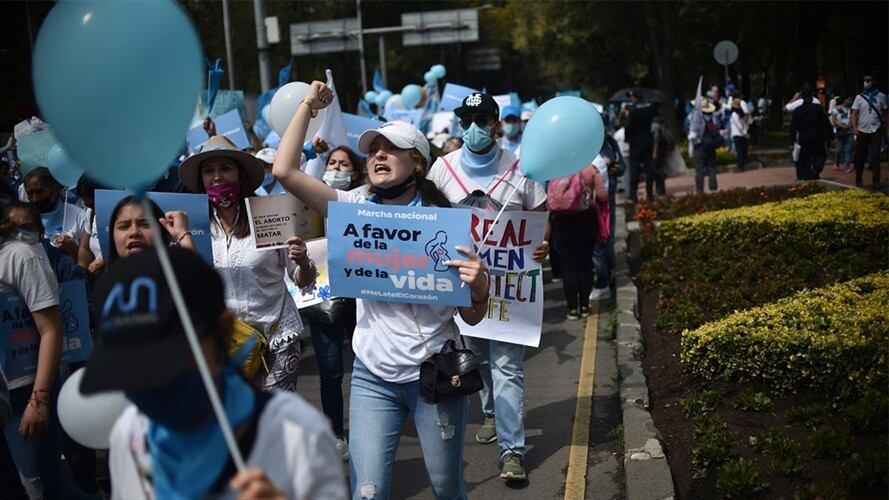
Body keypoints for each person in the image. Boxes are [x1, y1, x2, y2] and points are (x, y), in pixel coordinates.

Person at [272, 81, 490, 499]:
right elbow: (284, 171)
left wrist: (479, 285)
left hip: (435, 374)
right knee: (367, 493)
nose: (378, 156)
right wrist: (308, 105)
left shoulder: (445, 224)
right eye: (372, 150)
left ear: (419, 163)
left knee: (446, 487)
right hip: (373, 377)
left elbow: (473, 315)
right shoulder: (352, 206)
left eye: (390, 149)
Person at [81, 248, 348, 499]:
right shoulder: (130, 434)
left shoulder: (296, 434)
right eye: (129, 367)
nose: (151, 385)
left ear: (223, 332)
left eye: (169, 362)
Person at [426, 92, 549, 482]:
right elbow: (427, 222)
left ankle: (512, 451)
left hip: (509, 289)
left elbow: (539, 218)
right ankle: (492, 413)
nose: (474, 128)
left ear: (496, 124)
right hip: (462, 289)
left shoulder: (521, 169)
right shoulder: (442, 170)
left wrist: (543, 245)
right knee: (475, 359)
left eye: (482, 119)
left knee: (508, 368)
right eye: (467, 120)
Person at [178, 135, 316, 392]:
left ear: (239, 175)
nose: (216, 176)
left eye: (225, 168)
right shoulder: (194, 226)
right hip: (226, 342)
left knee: (272, 421)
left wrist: (304, 262)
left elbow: (301, 279)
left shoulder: (270, 213)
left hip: (277, 337)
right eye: (208, 171)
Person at [0, 210, 90, 499]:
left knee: (40, 488)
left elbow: (51, 330)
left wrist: (39, 400)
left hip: (23, 394)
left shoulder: (21, 256)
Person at [307, 144, 365, 460]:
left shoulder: (361, 202)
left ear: (354, 173)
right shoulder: (307, 205)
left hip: (359, 294)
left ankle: (368, 424)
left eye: (344, 165)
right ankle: (335, 434)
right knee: (330, 371)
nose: (337, 168)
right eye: (332, 162)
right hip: (323, 295)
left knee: (365, 364)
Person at [549, 163, 607, 319]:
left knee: (568, 265)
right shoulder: (590, 169)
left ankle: (572, 308)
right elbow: (602, 195)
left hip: (562, 221)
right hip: (585, 219)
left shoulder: (554, 168)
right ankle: (584, 306)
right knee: (585, 264)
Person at [22, 167, 92, 267]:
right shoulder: (23, 219)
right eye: (29, 193)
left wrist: (72, 248)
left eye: (39, 192)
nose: (35, 199)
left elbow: (88, 260)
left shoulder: (78, 215)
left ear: (55, 189)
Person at [106, 196, 194, 263]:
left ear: (161, 232)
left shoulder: (176, 279)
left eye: (145, 224)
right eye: (124, 226)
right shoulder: (105, 282)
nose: (134, 232)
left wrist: (182, 233)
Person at [850, 74, 887, 189]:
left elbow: (886, 113)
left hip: (876, 129)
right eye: (865, 80)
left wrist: (887, 128)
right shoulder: (859, 97)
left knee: (875, 157)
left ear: (874, 82)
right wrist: (854, 127)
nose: (866, 82)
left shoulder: (881, 96)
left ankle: (876, 181)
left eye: (868, 80)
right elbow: (854, 113)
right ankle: (859, 179)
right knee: (860, 156)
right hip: (862, 130)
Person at [791, 84, 833, 181]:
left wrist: (792, 141)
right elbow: (826, 122)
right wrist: (829, 136)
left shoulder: (798, 110)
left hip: (804, 137)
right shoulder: (818, 108)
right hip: (817, 137)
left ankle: (806, 174)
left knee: (805, 157)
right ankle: (815, 171)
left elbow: (793, 127)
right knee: (820, 155)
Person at [624, 89, 657, 202]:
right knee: (649, 167)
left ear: (634, 97)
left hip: (636, 142)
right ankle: (650, 193)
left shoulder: (632, 110)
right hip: (648, 140)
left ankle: (633, 194)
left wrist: (627, 139)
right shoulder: (650, 107)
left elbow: (628, 127)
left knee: (635, 168)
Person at [694, 98, 722, 193]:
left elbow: (689, 129)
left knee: (699, 169)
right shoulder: (712, 118)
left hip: (700, 146)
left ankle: (700, 190)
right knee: (711, 168)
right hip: (711, 146)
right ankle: (713, 188)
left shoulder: (695, 119)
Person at [831, 96, 854, 172]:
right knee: (839, 150)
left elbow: (853, 118)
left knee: (848, 149)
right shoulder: (836, 109)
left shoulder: (851, 109)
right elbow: (834, 119)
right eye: (848, 99)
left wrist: (850, 125)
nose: (850, 101)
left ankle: (847, 165)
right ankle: (837, 163)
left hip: (849, 131)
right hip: (840, 131)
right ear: (844, 100)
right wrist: (841, 126)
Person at [730, 97, 751, 171]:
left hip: (737, 134)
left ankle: (740, 166)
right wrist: (745, 132)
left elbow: (738, 126)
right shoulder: (742, 114)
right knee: (742, 150)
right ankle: (743, 164)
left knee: (739, 151)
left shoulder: (734, 114)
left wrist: (743, 132)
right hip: (742, 134)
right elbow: (745, 124)